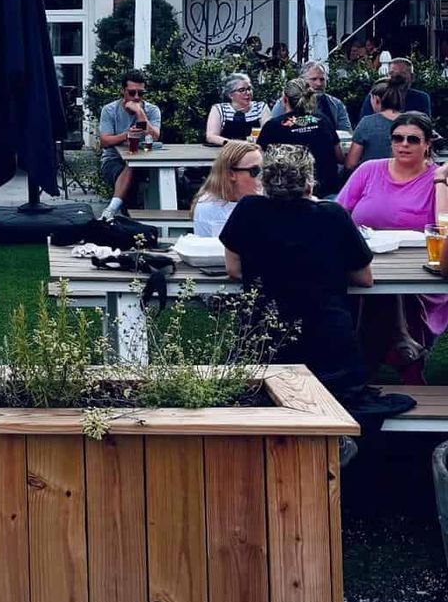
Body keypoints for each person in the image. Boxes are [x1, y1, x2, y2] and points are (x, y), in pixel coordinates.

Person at [221, 145, 373, 402]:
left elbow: (233, 269)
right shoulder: (332, 216)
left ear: (265, 179)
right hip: (328, 346)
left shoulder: (249, 210)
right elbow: (364, 278)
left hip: (266, 340)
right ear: (309, 181)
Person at [337, 112, 448, 357]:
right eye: (398, 138)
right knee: (367, 285)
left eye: (413, 140)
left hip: (416, 272)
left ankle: (373, 356)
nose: (404, 144)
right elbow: (339, 213)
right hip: (365, 259)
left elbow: (444, 227)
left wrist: (440, 181)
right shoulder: (368, 170)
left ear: (427, 144)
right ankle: (402, 348)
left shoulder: (438, 178)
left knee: (386, 294)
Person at [256, 77, 343, 197]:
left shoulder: (273, 126)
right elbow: (339, 156)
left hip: (285, 193)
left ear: (285, 99)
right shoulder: (323, 120)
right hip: (327, 191)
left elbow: (259, 160)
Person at [98, 69, 161, 220]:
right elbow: (105, 141)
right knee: (131, 167)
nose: (137, 97)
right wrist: (126, 135)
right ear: (123, 91)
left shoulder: (151, 110)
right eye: (132, 93)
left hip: (146, 159)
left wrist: (140, 113)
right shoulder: (110, 110)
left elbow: (155, 137)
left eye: (141, 93)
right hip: (114, 160)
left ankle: (117, 211)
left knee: (168, 176)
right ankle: (117, 212)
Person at [191, 140, 264, 237]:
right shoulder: (208, 208)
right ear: (230, 174)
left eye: (264, 169)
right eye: (255, 171)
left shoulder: (265, 199)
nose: (262, 176)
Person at [344, 77, 407, 171]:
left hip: (374, 179)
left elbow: (351, 163)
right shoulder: (413, 122)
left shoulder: (367, 123)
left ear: (376, 99)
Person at [269, 61, 351, 133]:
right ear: (302, 80)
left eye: (322, 79)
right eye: (314, 79)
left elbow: (345, 134)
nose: (319, 84)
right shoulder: (286, 102)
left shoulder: (336, 104)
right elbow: (272, 130)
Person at [356, 56, 430, 123]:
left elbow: (425, 126)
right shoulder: (376, 96)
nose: (397, 77)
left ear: (412, 77)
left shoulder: (421, 98)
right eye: (392, 73)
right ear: (387, 76)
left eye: (402, 73)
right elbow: (364, 122)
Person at [204, 72, 269, 145]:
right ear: (231, 95)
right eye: (242, 90)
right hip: (226, 152)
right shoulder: (219, 109)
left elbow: (268, 133)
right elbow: (211, 136)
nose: (247, 93)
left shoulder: (260, 107)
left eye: (249, 89)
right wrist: (234, 144)